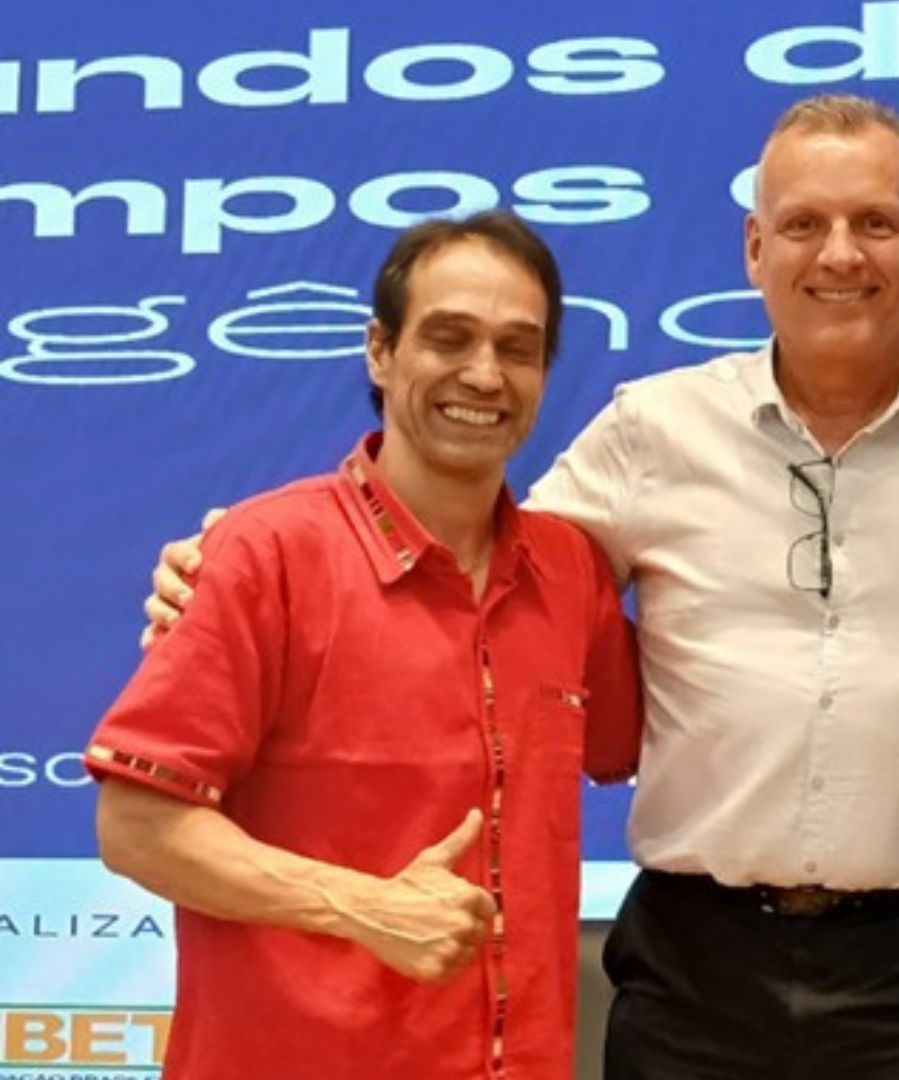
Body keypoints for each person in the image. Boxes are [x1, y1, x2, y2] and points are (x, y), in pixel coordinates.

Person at [144, 95, 899, 1079]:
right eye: (803, 224)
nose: (840, 254)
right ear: (754, 248)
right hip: (697, 976)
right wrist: (233, 559)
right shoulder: (654, 429)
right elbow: (468, 548)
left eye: (875, 223)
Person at [89, 210, 643, 1079]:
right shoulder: (264, 553)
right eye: (448, 338)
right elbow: (135, 824)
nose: (485, 374)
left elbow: (645, 735)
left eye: (518, 348)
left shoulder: (570, 573)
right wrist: (362, 905)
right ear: (380, 352)